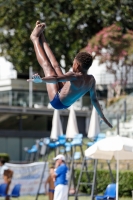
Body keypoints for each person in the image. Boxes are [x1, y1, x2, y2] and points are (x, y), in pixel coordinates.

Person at [28, 21, 112, 128]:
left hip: (57, 101)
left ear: (76, 65)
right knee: (56, 66)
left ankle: (35, 38)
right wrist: (102, 116)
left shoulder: (74, 76)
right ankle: (41, 35)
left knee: (48, 67)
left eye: (73, 62)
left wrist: (41, 80)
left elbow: (56, 79)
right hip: (66, 102)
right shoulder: (91, 80)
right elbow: (94, 100)